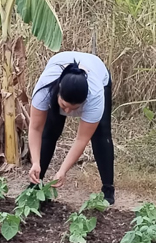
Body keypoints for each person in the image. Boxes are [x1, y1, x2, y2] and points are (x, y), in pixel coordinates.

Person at [27, 51, 115, 204]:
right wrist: (35, 162)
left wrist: (62, 171)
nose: (67, 112)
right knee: (50, 131)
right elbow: (35, 129)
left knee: (101, 133)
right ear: (58, 93)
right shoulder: (44, 88)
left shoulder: (95, 95)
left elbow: (81, 139)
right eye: (63, 106)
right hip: (60, 72)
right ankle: (35, 183)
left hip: (97, 69)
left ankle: (108, 189)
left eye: (74, 108)